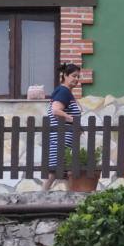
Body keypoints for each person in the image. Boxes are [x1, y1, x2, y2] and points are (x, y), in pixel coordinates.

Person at [43, 63, 82, 191]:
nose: (76, 79)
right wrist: (74, 121)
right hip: (60, 138)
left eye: (78, 77)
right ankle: (40, 195)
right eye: (73, 76)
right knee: (54, 170)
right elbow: (55, 110)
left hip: (63, 139)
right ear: (65, 75)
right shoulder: (64, 91)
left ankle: (70, 195)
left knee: (63, 171)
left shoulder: (65, 92)